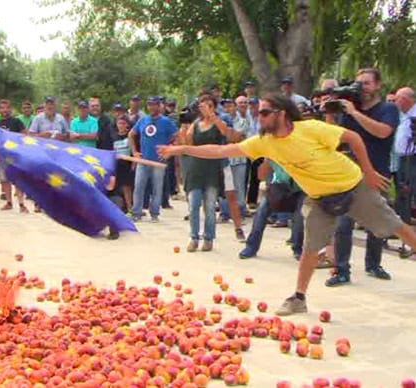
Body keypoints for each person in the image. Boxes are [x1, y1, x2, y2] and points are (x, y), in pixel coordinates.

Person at [157, 94, 416, 316]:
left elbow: (352, 138)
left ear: (281, 114)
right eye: (259, 113)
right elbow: (220, 151)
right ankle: (299, 298)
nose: (260, 117)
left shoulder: (311, 128)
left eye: (265, 112)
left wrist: (368, 171)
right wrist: (181, 151)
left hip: (352, 186)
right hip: (319, 198)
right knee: (310, 249)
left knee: (396, 226)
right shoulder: (264, 142)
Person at [325, 68, 400, 286]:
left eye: (366, 83)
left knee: (377, 223)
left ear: (378, 85)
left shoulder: (388, 108)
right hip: (349, 174)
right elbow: (334, 138)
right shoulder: (348, 110)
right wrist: (330, 112)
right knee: (343, 223)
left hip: (378, 172)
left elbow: (383, 132)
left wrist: (355, 113)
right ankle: (341, 270)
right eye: (359, 84)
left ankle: (373, 264)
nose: (361, 88)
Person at [182, 94, 238, 251]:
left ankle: (209, 237)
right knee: (193, 205)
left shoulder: (219, 121)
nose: (205, 108)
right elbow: (188, 144)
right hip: (196, 168)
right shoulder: (196, 123)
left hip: (212, 169)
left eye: (209, 105)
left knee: (210, 206)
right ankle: (194, 237)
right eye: (202, 105)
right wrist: (184, 132)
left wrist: (212, 116)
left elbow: (227, 133)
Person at [238, 158, 305, 261]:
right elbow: (261, 176)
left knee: (299, 218)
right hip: (278, 185)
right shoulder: (272, 151)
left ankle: (297, 249)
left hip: (299, 188)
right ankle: (251, 247)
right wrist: (267, 161)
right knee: (260, 214)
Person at [129, 96, 177, 222]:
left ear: (159, 105)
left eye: (154, 104)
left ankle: (155, 213)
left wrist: (169, 150)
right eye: (149, 104)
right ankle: (136, 212)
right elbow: (131, 135)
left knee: (157, 188)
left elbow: (176, 136)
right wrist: (134, 152)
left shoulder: (166, 121)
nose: (152, 107)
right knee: (139, 186)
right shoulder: (143, 120)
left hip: (158, 161)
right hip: (144, 159)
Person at [0, 99, 28, 212]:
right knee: (4, 180)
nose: (4, 110)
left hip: (15, 155)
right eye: (2, 108)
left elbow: (24, 136)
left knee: (17, 180)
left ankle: (21, 204)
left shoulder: (17, 121)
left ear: (10, 109)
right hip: (2, 155)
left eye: (6, 107)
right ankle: (9, 202)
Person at [394, 87, 416, 225]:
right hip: (403, 158)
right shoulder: (404, 115)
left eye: (397, 99)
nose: (395, 102)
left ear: (405, 99)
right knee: (402, 192)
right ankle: (402, 226)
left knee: (409, 191)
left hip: (413, 157)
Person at [112, 115, 135, 213]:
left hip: (128, 164)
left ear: (127, 125)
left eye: (123, 123)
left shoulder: (130, 136)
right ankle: (121, 207)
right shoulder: (114, 136)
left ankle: (130, 208)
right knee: (118, 188)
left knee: (128, 187)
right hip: (118, 164)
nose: (121, 125)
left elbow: (134, 151)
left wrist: (134, 163)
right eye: (119, 123)